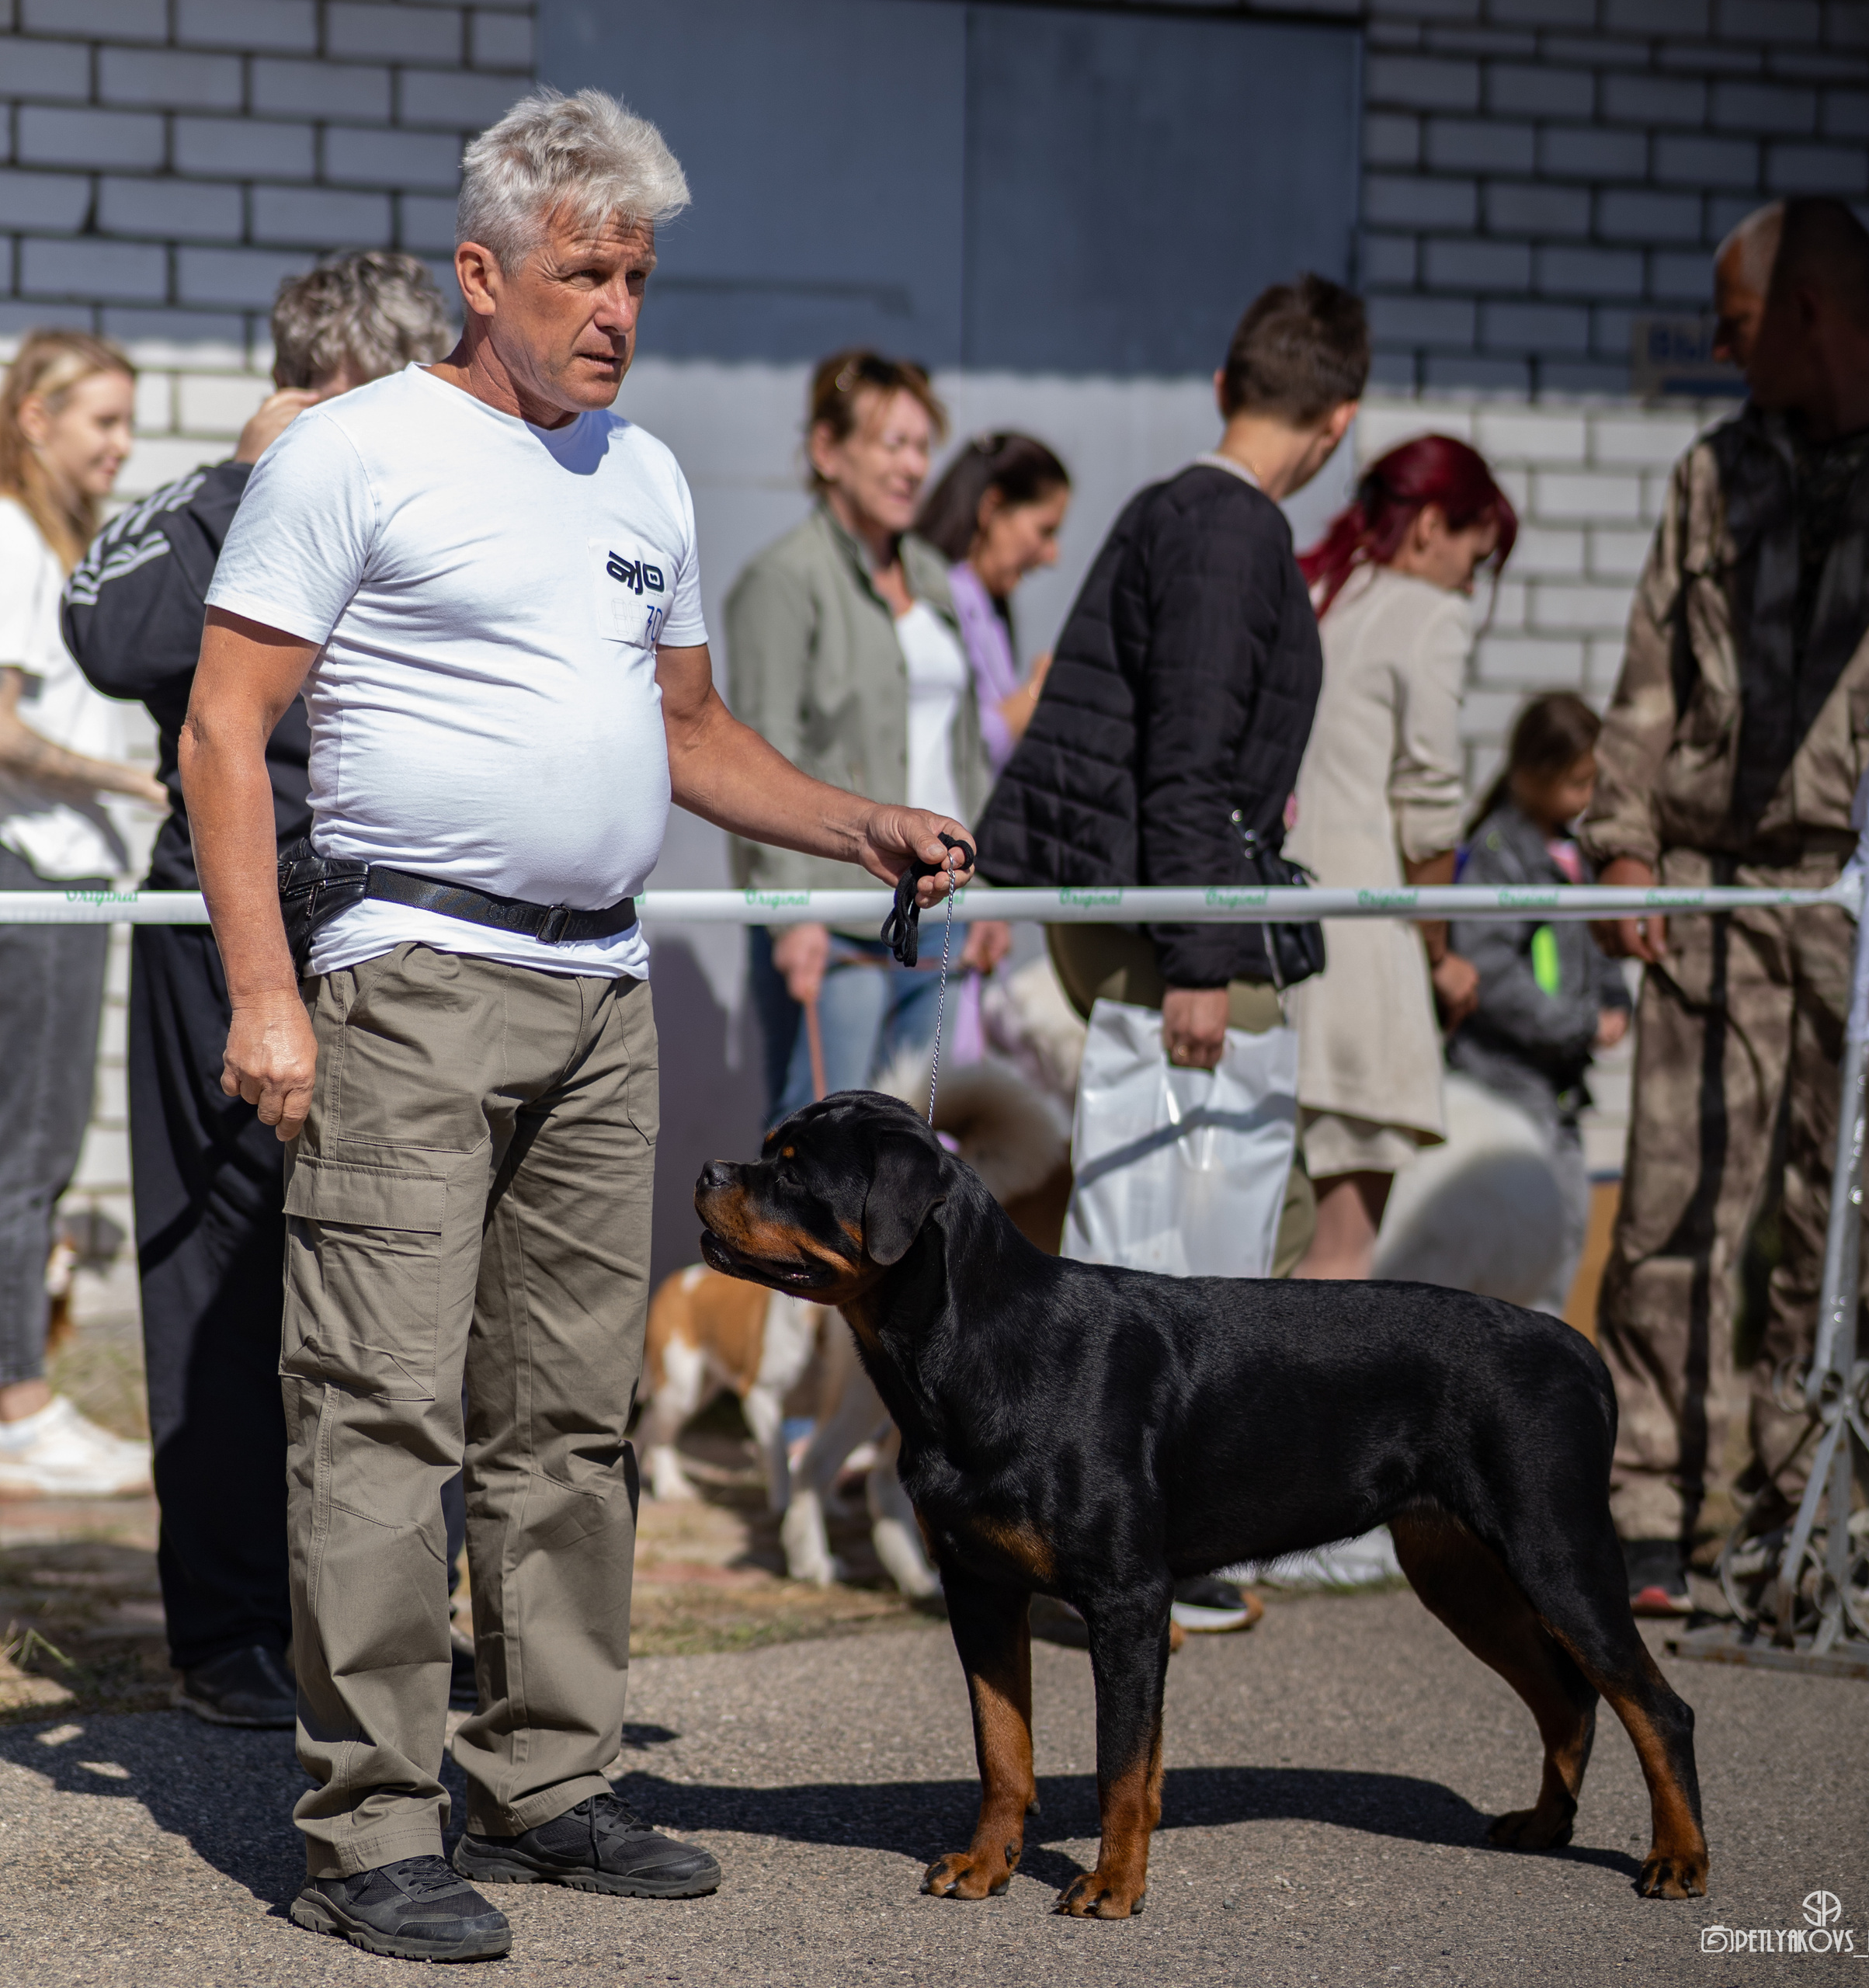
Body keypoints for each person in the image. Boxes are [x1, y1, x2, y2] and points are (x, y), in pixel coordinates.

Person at [181, 89, 975, 1965]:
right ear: (481, 273)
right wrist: (268, 993)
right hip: (408, 979)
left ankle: (547, 1775)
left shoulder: (645, 475)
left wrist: (850, 820)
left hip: (600, 989)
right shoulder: (356, 452)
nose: (617, 308)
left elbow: (686, 731)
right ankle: (371, 1826)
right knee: (381, 1407)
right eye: (581, 273)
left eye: (637, 276)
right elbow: (223, 728)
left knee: (567, 1408)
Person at [63, 253, 455, 1729]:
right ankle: (228, 1628)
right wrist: (241, 480)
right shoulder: (231, 499)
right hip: (215, 926)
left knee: (411, 1286)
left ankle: (396, 1615)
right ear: (325, 386)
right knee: (214, 1279)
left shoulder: (445, 487)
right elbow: (107, 632)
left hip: (399, 919)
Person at [1582, 196, 1869, 1615]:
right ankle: (1647, 1507)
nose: (1719, 349)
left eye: (1737, 324)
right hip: (1711, 883)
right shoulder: (1712, 472)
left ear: (1810, 313)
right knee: (1674, 1206)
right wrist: (1621, 849)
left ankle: (1813, 1504)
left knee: (1853, 1216)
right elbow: (1648, 682)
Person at [975, 273, 1368, 1633]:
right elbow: (1191, 761)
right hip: (1178, 942)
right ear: (1339, 424)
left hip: (1154, 923)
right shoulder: (1228, 531)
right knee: (1176, 1257)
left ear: (1223, 387)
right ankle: (1133, 1553)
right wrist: (1204, 951)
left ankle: (1144, 1539)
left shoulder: (1182, 515)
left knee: (1185, 1245)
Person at [728, 353, 1006, 1126]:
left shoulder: (935, 576)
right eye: (893, 444)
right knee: (822, 1144)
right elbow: (758, 750)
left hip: (939, 910)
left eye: (923, 446)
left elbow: (966, 753)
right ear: (828, 450)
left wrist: (990, 892)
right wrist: (792, 916)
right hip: (835, 918)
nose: (914, 466)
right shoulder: (783, 579)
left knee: (916, 1150)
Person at [1283, 436, 1515, 1280]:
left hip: (1270, 939)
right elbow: (1428, 807)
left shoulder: (1315, 588)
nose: (1470, 586)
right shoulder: (1427, 613)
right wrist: (1441, 952)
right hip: (1362, 956)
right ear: (1428, 527)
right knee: (1339, 1258)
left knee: (1270, 1252)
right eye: (1474, 559)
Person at [0, 329, 162, 1500]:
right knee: (34, 1148)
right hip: (41, 876)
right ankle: (19, 1406)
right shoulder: (15, 541)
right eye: (102, 421)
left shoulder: (48, 539)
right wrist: (134, 783)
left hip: (59, 875)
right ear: (35, 420)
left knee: (35, 1146)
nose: (122, 446)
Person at [1448, 693, 1632, 1316]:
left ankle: (1536, 1364)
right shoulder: (1499, 854)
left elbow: (1599, 947)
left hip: (1560, 1089)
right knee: (1510, 1243)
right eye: (1578, 782)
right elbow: (1491, 968)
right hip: (1503, 1084)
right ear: (1531, 774)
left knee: (1566, 1229)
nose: (1588, 797)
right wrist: (1579, 1023)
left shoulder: (1578, 857)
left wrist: (1615, 1000)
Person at [914, 430, 1071, 774]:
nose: (1052, 555)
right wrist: (1037, 693)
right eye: (1045, 531)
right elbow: (960, 745)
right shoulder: (937, 602)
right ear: (993, 508)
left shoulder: (987, 608)